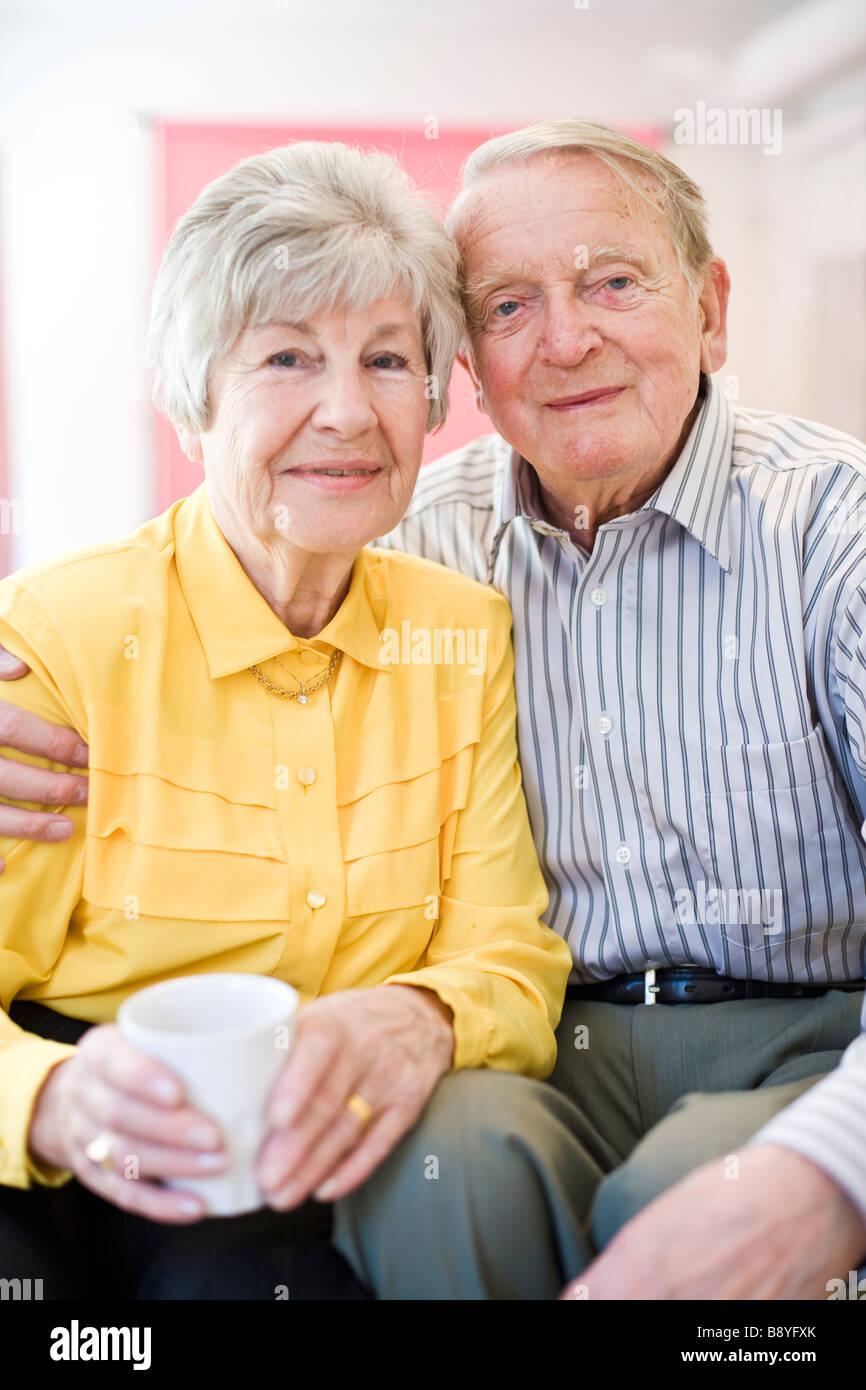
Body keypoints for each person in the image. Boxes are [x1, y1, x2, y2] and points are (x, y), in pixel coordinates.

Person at [5, 119, 866, 1302]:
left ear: (710, 309)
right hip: (442, 1075)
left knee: (669, 1185)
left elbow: (494, 939)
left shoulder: (823, 534)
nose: (349, 416)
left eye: (611, 281)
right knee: (438, 1158)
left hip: (797, 1035)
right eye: (506, 307)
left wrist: (834, 1172)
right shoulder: (366, 537)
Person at [0, 139, 573, 1300]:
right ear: (192, 393)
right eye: (287, 357)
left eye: (386, 360)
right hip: (61, 1113)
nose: (347, 412)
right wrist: (49, 1099)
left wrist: (421, 1015)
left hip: (282, 1161)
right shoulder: (54, 634)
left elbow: (507, 954)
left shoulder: (462, 633)